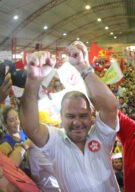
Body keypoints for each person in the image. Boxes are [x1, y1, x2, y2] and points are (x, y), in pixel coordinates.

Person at [20, 42, 119, 192]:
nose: (77, 122)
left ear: (92, 115)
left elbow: (110, 107)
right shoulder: (55, 142)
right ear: (61, 117)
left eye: (83, 115)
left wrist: (82, 67)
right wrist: (33, 81)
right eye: (70, 116)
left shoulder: (101, 137)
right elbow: (30, 128)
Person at [0, 68, 39, 192]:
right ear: (5, 126)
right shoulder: (5, 144)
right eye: (11, 120)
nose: (16, 122)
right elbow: (9, 168)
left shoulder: (24, 133)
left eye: (17, 118)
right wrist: (24, 146)